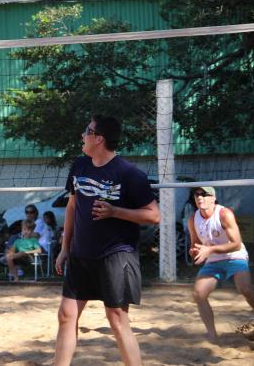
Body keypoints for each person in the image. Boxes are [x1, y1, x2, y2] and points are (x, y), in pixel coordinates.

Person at [54, 115, 160, 366]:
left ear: (98, 138)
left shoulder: (129, 174)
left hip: (115, 255)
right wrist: (64, 248)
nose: (82, 135)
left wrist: (115, 212)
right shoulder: (79, 166)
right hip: (81, 254)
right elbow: (72, 207)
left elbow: (154, 216)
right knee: (66, 315)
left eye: (86, 131)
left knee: (117, 319)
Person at [188, 186, 254, 343]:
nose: (200, 197)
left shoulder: (224, 214)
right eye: (197, 194)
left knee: (245, 289)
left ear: (213, 198)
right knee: (199, 294)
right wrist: (194, 251)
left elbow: (236, 244)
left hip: (234, 255)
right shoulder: (193, 218)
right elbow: (195, 243)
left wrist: (210, 249)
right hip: (213, 259)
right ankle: (213, 337)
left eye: (205, 194)